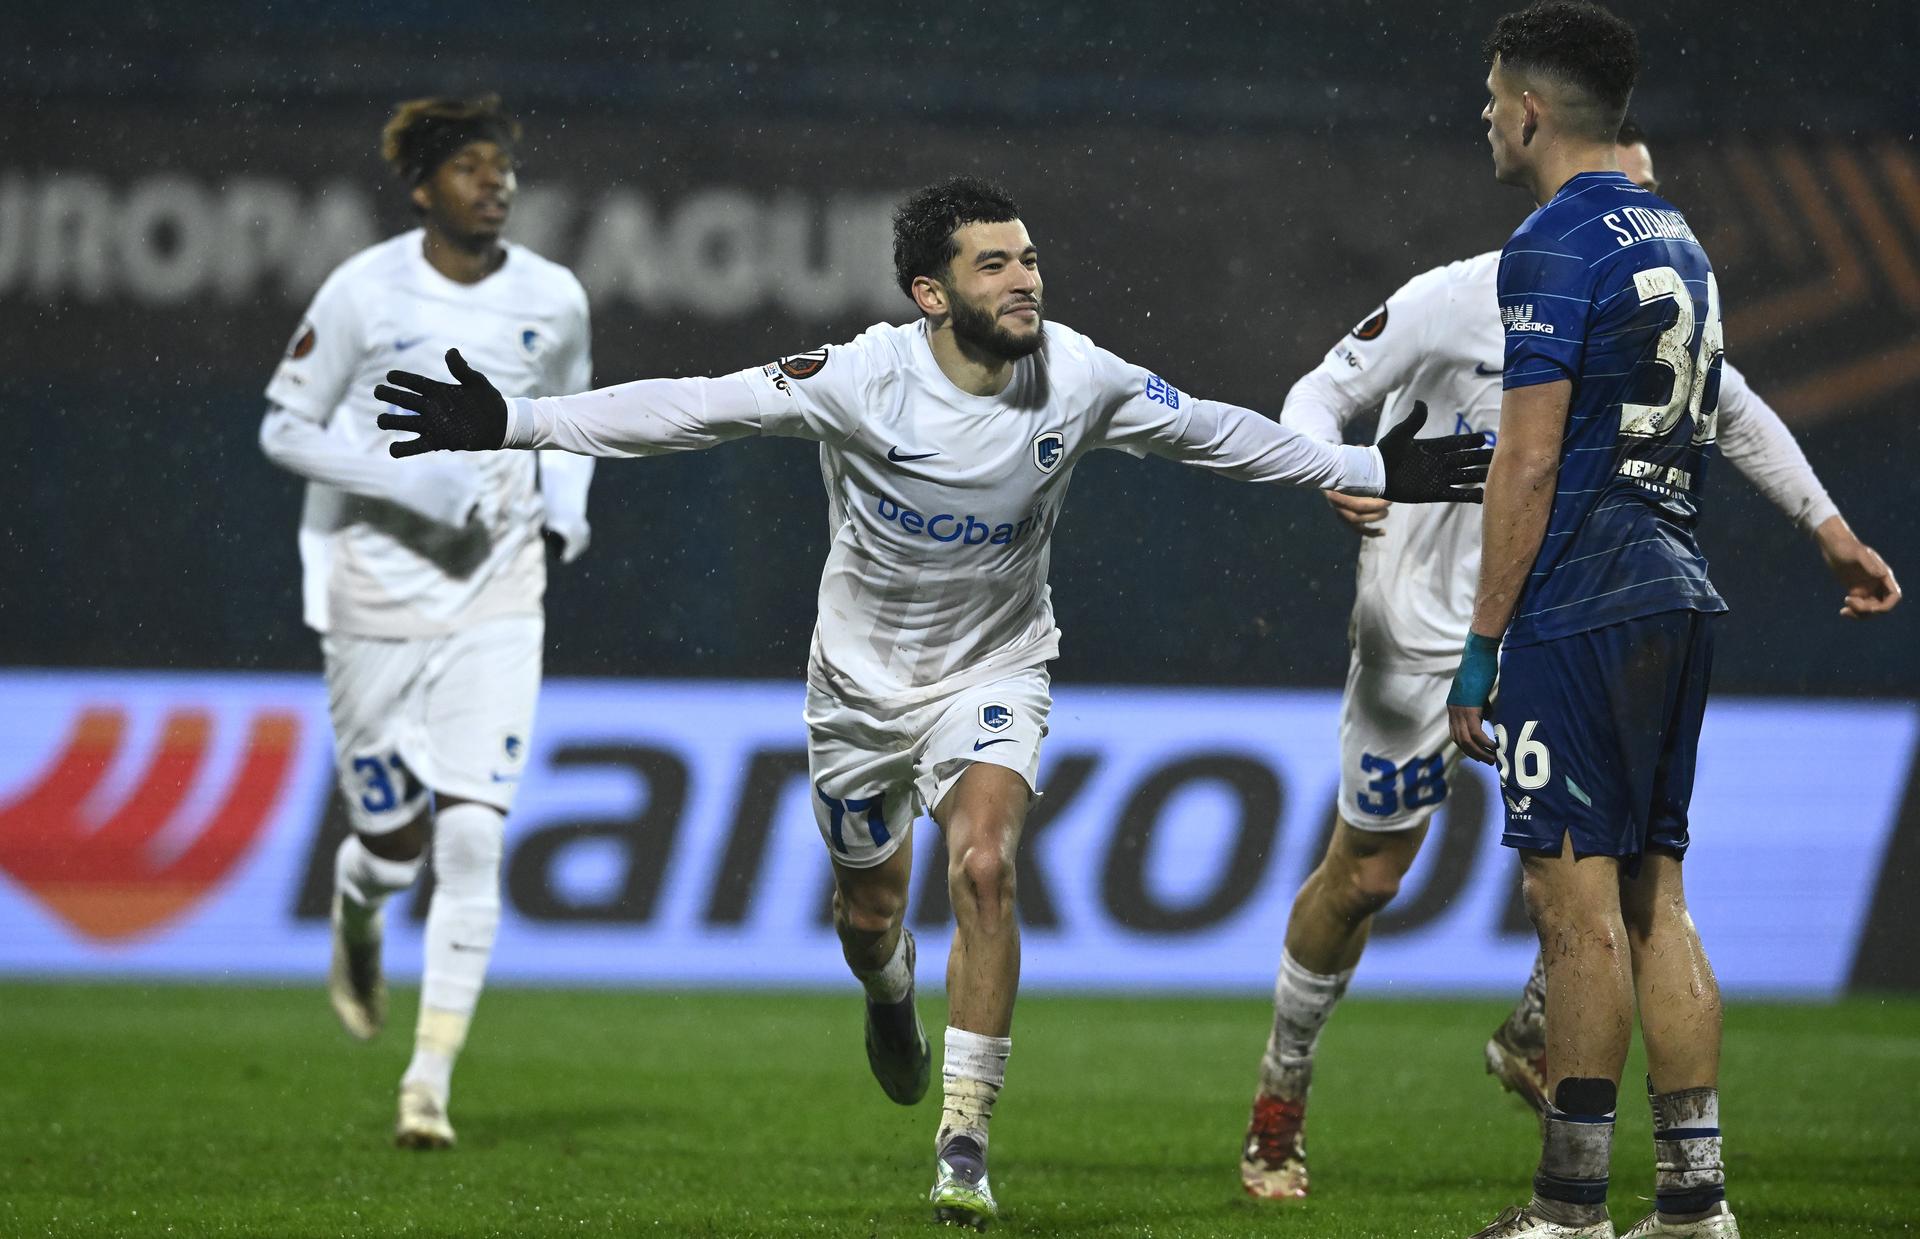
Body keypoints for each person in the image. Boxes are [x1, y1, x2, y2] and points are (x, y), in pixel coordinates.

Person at [369, 176, 1490, 1228]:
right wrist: (513, 421)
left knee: (988, 865)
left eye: (1030, 260)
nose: (1026, 282)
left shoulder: (1079, 375)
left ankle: (965, 1138)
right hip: (857, 690)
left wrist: (1378, 472)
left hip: (997, 669)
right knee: (869, 916)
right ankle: (888, 986)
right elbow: (689, 411)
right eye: (994, 266)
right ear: (931, 293)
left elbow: (1215, 432)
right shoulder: (862, 377)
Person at [1237, 116, 1901, 1201]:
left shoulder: (1652, 306)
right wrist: (1330, 464)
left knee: (1610, 871)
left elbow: (1734, 411)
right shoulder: (1463, 296)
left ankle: (1543, 1045)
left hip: (1565, 621)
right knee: (1368, 875)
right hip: (1421, 635)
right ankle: (1281, 1092)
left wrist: (1827, 527)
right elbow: (1321, 388)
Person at [1445, 3, 1786, 1235]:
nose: (1487, 116)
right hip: (1678, 589)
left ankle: (1567, 1209)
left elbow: (1527, 463)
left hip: (1584, 601)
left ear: (1531, 109)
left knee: (1572, 913)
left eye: (1493, 97)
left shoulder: (1547, 243)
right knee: (1659, 902)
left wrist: (1482, 645)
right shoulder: (1676, 233)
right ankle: (1696, 1205)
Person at [258, 95, 595, 1150]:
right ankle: (358, 914)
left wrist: (561, 522)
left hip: (498, 593)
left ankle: (428, 1085)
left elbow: (576, 421)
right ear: (422, 189)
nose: (495, 183)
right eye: (471, 169)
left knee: (472, 839)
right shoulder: (364, 291)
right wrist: (407, 490)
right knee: (395, 848)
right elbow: (281, 428)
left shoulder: (555, 296)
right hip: (370, 590)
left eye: (504, 168)